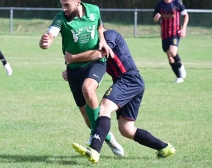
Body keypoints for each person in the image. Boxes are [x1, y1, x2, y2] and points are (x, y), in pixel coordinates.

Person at [39, 0, 124, 156]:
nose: (64, 8)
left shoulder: (94, 9)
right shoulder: (60, 18)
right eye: (62, 5)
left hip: (95, 62)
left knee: (88, 89)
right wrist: (45, 41)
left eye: (67, 5)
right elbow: (51, 34)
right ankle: (107, 137)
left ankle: (96, 140)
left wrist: (102, 39)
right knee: (88, 118)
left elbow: (100, 26)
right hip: (73, 70)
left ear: (78, 2)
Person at [70, 30, 175, 163]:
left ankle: (94, 149)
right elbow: (93, 64)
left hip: (128, 79)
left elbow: (102, 52)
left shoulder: (110, 35)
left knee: (104, 109)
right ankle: (165, 148)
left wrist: (73, 58)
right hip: (130, 82)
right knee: (127, 129)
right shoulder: (95, 45)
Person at [153, 0, 189, 83]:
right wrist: (156, 19)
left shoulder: (177, 3)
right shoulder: (160, 5)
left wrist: (184, 28)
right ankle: (179, 77)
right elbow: (155, 18)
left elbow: (186, 15)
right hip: (164, 34)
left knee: (173, 52)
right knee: (169, 56)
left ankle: (181, 67)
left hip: (175, 32)